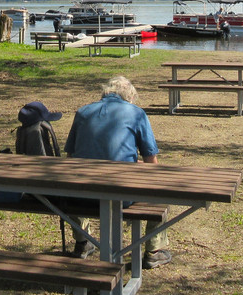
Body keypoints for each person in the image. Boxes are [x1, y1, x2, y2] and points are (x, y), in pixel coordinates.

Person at [64, 76, 172, 269]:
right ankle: (154, 250)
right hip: (122, 195)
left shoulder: (82, 112)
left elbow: (70, 157)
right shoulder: (137, 113)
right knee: (161, 185)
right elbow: (151, 162)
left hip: (82, 195)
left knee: (74, 181)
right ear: (129, 96)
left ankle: (82, 241)